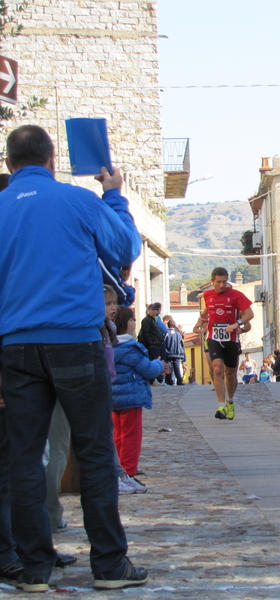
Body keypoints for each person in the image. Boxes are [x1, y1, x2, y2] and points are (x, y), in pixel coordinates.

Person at [0, 124, 148, 590]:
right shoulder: (77, 201)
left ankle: (35, 570)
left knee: (23, 457)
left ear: (9, 165)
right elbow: (126, 246)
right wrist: (113, 194)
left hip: (15, 346)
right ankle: (108, 565)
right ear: (50, 161)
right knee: (95, 452)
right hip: (75, 341)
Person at [111, 306, 167, 487]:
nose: (134, 323)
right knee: (131, 435)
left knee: (117, 434)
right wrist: (159, 364)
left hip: (112, 398)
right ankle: (128, 471)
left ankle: (117, 468)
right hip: (131, 398)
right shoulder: (131, 348)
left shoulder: (109, 346)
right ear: (124, 324)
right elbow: (147, 369)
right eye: (131, 320)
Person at [197, 267, 254, 420]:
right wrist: (200, 324)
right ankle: (221, 405)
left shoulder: (236, 295)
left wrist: (237, 324)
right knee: (216, 369)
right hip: (214, 338)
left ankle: (230, 401)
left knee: (230, 373)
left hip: (231, 339)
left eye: (224, 282)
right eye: (218, 282)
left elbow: (250, 313)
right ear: (212, 281)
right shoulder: (207, 296)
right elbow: (205, 313)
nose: (221, 285)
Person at [137, 303, 165, 384]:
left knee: (156, 360)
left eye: (156, 309)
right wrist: (151, 344)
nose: (154, 311)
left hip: (156, 344)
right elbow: (146, 333)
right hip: (151, 345)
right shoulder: (146, 320)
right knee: (153, 361)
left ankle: (157, 379)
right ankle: (153, 380)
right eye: (153, 309)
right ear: (148, 310)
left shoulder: (153, 320)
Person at [161, 315, 185, 386]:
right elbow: (181, 344)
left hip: (168, 353)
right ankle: (179, 381)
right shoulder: (178, 334)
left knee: (169, 368)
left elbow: (164, 343)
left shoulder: (165, 333)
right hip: (177, 354)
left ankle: (171, 381)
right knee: (177, 368)